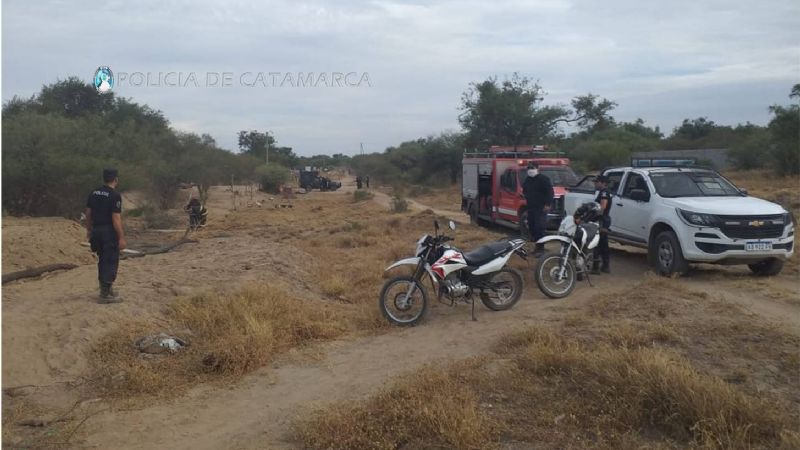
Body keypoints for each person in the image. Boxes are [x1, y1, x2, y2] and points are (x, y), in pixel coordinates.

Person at [85, 168, 126, 303]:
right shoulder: (114, 195)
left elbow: (88, 213)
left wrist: (89, 230)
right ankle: (104, 294)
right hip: (108, 231)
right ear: (116, 179)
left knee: (102, 259)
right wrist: (121, 237)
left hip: (96, 230)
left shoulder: (93, 192)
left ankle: (107, 289)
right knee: (110, 261)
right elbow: (116, 218)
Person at [522, 162, 554, 255]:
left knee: (539, 227)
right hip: (531, 207)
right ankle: (537, 246)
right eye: (529, 168)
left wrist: (548, 204)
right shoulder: (528, 180)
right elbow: (525, 190)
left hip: (541, 207)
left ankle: (541, 248)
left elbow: (550, 192)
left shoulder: (544, 179)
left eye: (532, 168)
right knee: (531, 227)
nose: (530, 170)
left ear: (537, 169)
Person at [592, 175, 613, 274]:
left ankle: (599, 267)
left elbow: (603, 207)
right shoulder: (603, 192)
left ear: (603, 183)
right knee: (602, 244)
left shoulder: (604, 192)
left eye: (597, 182)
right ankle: (603, 266)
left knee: (599, 244)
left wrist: (593, 214)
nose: (595, 184)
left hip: (602, 221)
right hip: (603, 220)